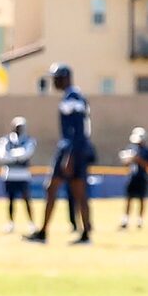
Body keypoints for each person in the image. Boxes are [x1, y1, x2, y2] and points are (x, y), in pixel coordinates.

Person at [28, 65, 93, 245]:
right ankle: (84, 233)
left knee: (57, 188)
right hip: (75, 148)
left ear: (64, 78)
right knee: (76, 191)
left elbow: (78, 130)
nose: (53, 82)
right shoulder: (73, 96)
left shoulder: (73, 97)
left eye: (56, 78)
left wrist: (69, 155)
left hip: (71, 148)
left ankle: (44, 233)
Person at [0, 119, 37, 224]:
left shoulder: (29, 140)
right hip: (9, 174)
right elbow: (0, 155)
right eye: (17, 126)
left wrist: (11, 155)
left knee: (26, 200)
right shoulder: (5, 140)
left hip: (23, 174)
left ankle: (31, 222)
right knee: (10, 200)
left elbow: (27, 153)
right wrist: (16, 157)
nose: (19, 129)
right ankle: (11, 222)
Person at [117, 127, 148, 229]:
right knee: (129, 199)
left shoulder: (147, 151)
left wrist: (138, 160)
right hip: (132, 177)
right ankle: (125, 220)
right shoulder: (131, 148)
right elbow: (126, 164)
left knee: (142, 200)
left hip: (142, 178)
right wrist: (128, 160)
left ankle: (140, 221)